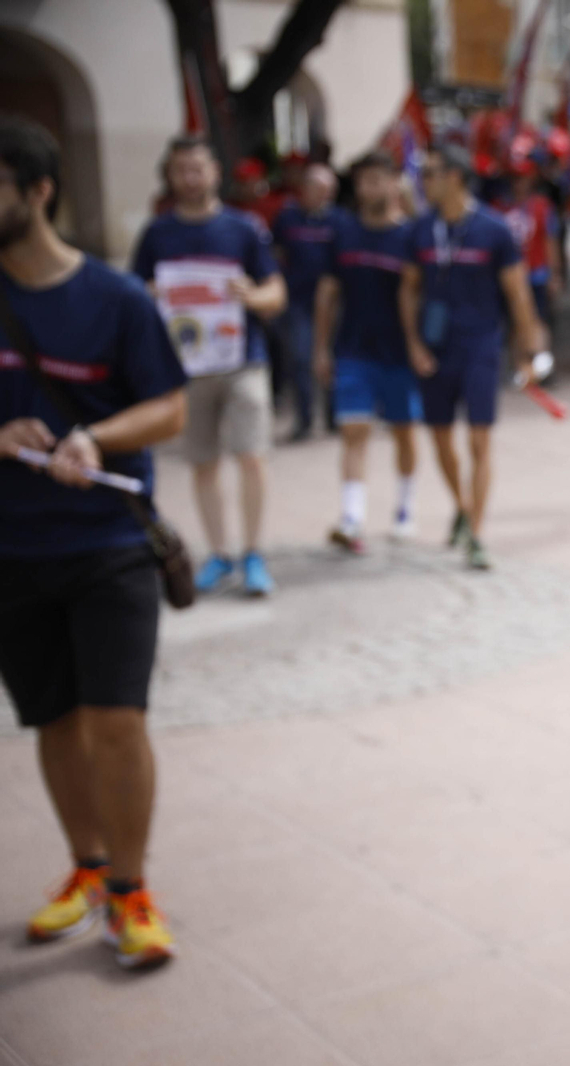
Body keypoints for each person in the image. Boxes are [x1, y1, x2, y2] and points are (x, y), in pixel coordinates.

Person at [0, 116, 187, 969]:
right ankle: (85, 869)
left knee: (116, 719)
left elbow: (170, 408)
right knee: (55, 721)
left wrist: (95, 439)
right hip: (13, 550)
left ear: (38, 191)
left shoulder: (115, 298)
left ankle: (132, 892)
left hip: (111, 541)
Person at [132, 135, 287, 596]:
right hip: (186, 367)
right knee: (203, 462)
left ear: (216, 172)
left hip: (243, 361)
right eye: (182, 169)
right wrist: (150, 296)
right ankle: (219, 554)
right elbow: (131, 295)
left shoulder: (245, 229)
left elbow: (275, 294)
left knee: (252, 456)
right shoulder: (157, 234)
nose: (191, 177)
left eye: (198, 168)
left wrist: (249, 295)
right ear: (170, 175)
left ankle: (253, 553)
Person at [399, 144, 546, 571]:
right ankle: (462, 506)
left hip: (480, 346)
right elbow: (408, 289)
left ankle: (477, 533)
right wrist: (413, 343)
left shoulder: (494, 230)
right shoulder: (420, 231)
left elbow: (517, 295)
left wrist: (527, 353)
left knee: (480, 441)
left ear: (456, 177)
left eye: (430, 173)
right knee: (441, 439)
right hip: (434, 347)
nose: (423, 182)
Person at [314, 151, 424, 552]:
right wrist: (321, 349)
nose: (369, 189)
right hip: (353, 350)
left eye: (378, 180)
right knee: (354, 430)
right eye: (363, 182)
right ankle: (352, 517)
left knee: (404, 432)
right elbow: (327, 293)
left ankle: (405, 509)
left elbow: (420, 295)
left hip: (399, 354)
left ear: (396, 183)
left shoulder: (411, 237)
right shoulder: (343, 233)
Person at [273, 162, 343, 440]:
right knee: (301, 359)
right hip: (298, 301)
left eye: (327, 190)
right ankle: (304, 419)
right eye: (316, 188)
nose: (321, 195)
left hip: (333, 303)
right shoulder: (288, 218)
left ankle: (333, 417)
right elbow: (276, 254)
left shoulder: (340, 221)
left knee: (332, 358)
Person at [497, 158, 559, 382]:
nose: (518, 183)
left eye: (522, 178)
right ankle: (521, 368)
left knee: (539, 321)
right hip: (509, 276)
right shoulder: (499, 207)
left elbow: (549, 241)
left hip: (536, 273)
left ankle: (542, 367)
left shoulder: (542, 206)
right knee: (514, 324)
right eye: (514, 178)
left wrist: (554, 273)